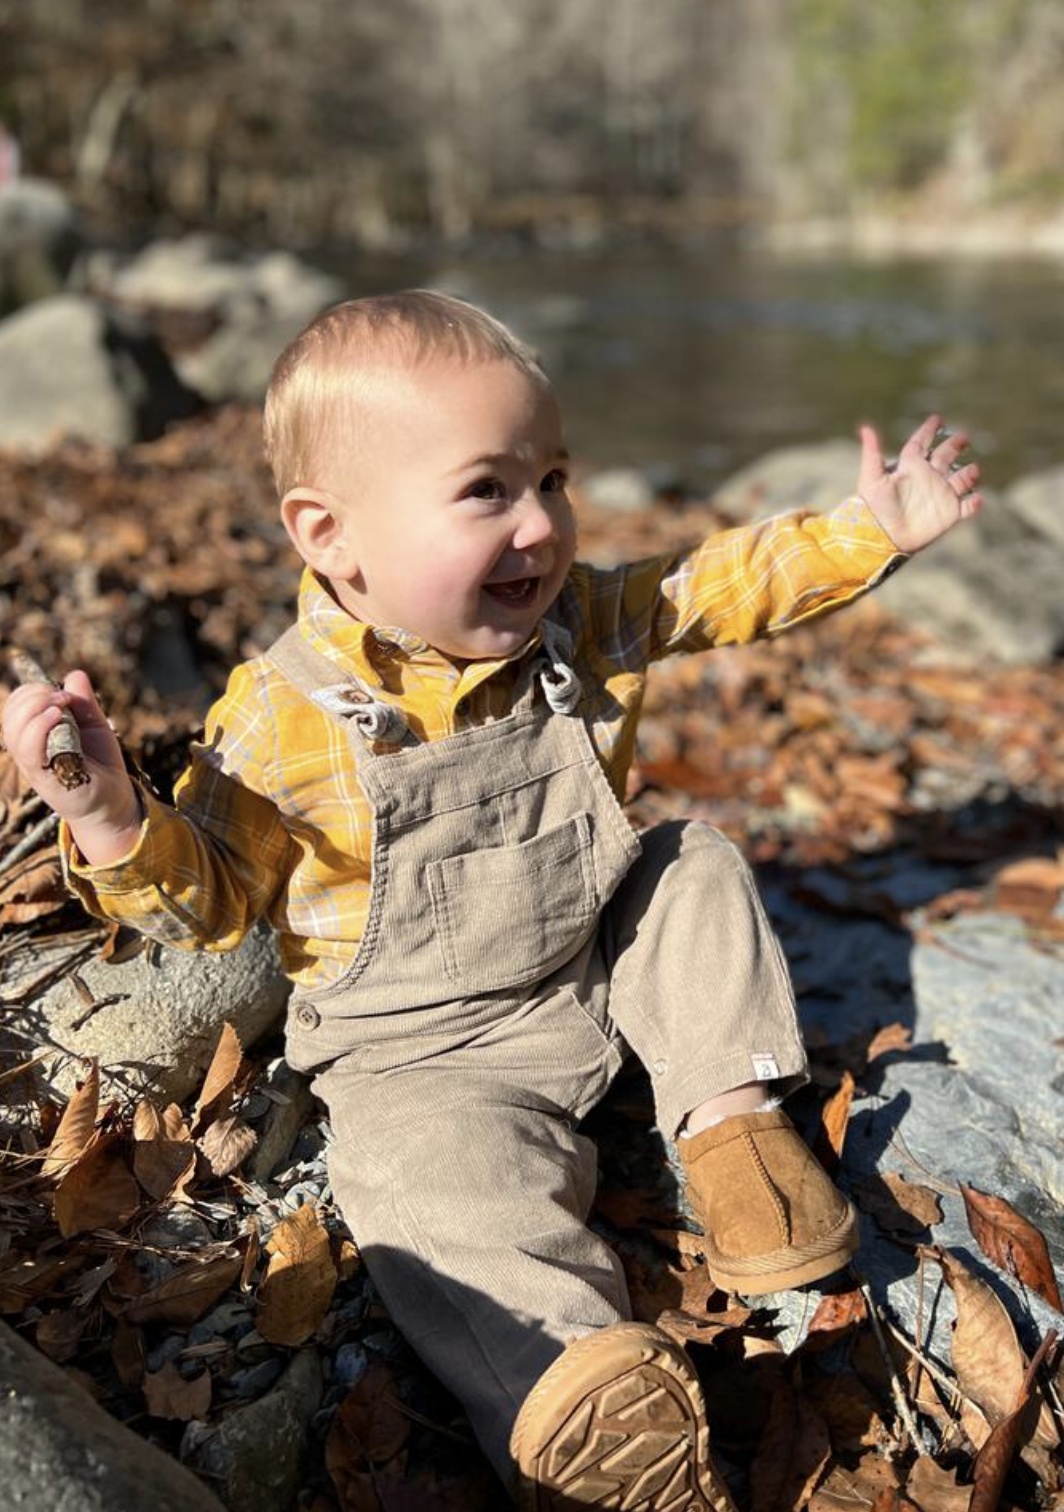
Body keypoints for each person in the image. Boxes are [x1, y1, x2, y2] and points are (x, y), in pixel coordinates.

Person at [3, 291, 982, 1509]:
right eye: (489, 492)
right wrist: (107, 815)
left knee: (689, 869)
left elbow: (714, 585)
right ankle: (573, 1389)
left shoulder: (574, 624)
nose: (544, 526)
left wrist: (864, 532)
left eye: (555, 480)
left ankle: (731, 1130)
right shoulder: (282, 717)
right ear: (331, 535)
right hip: (421, 1057)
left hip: (589, 966)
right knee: (434, 1192)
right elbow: (209, 905)